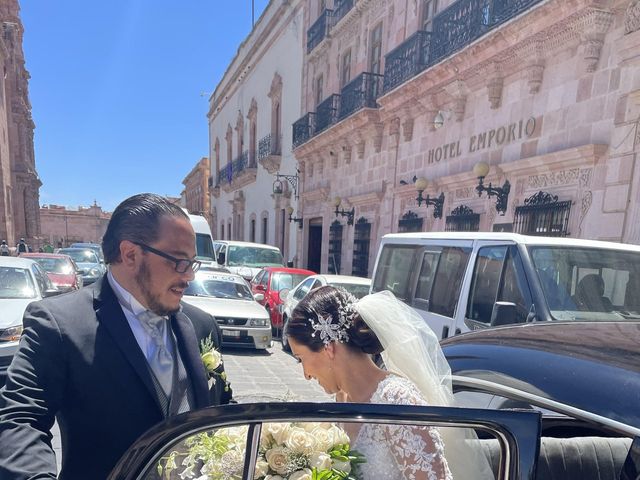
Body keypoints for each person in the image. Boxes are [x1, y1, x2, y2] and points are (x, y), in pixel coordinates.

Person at [0, 193, 233, 479]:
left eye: (192, 263)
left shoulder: (202, 324)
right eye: (179, 262)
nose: (189, 277)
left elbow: (222, 409)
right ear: (130, 254)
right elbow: (21, 420)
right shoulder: (58, 324)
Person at [287, 286, 494, 480]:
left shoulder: (397, 399)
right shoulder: (342, 401)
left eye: (300, 358)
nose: (305, 374)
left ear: (328, 348)